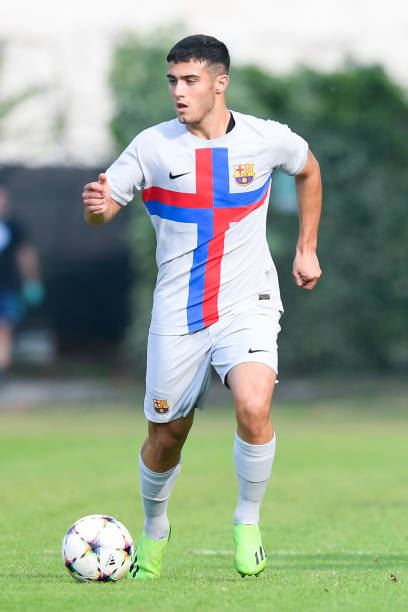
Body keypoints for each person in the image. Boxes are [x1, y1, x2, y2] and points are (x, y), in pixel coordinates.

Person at [82, 34, 322, 579]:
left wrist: (307, 247)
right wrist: (96, 208)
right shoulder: (152, 146)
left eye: (190, 80)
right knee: (166, 437)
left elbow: (309, 169)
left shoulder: (265, 139)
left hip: (248, 302)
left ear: (220, 83)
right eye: (172, 80)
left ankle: (247, 521)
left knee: (254, 407)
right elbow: (105, 208)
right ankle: (155, 527)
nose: (178, 91)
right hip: (178, 313)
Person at [0, 187, 44, 383]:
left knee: (4, 327)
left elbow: (26, 255)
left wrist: (32, 281)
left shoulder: (15, 226)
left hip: (7, 287)